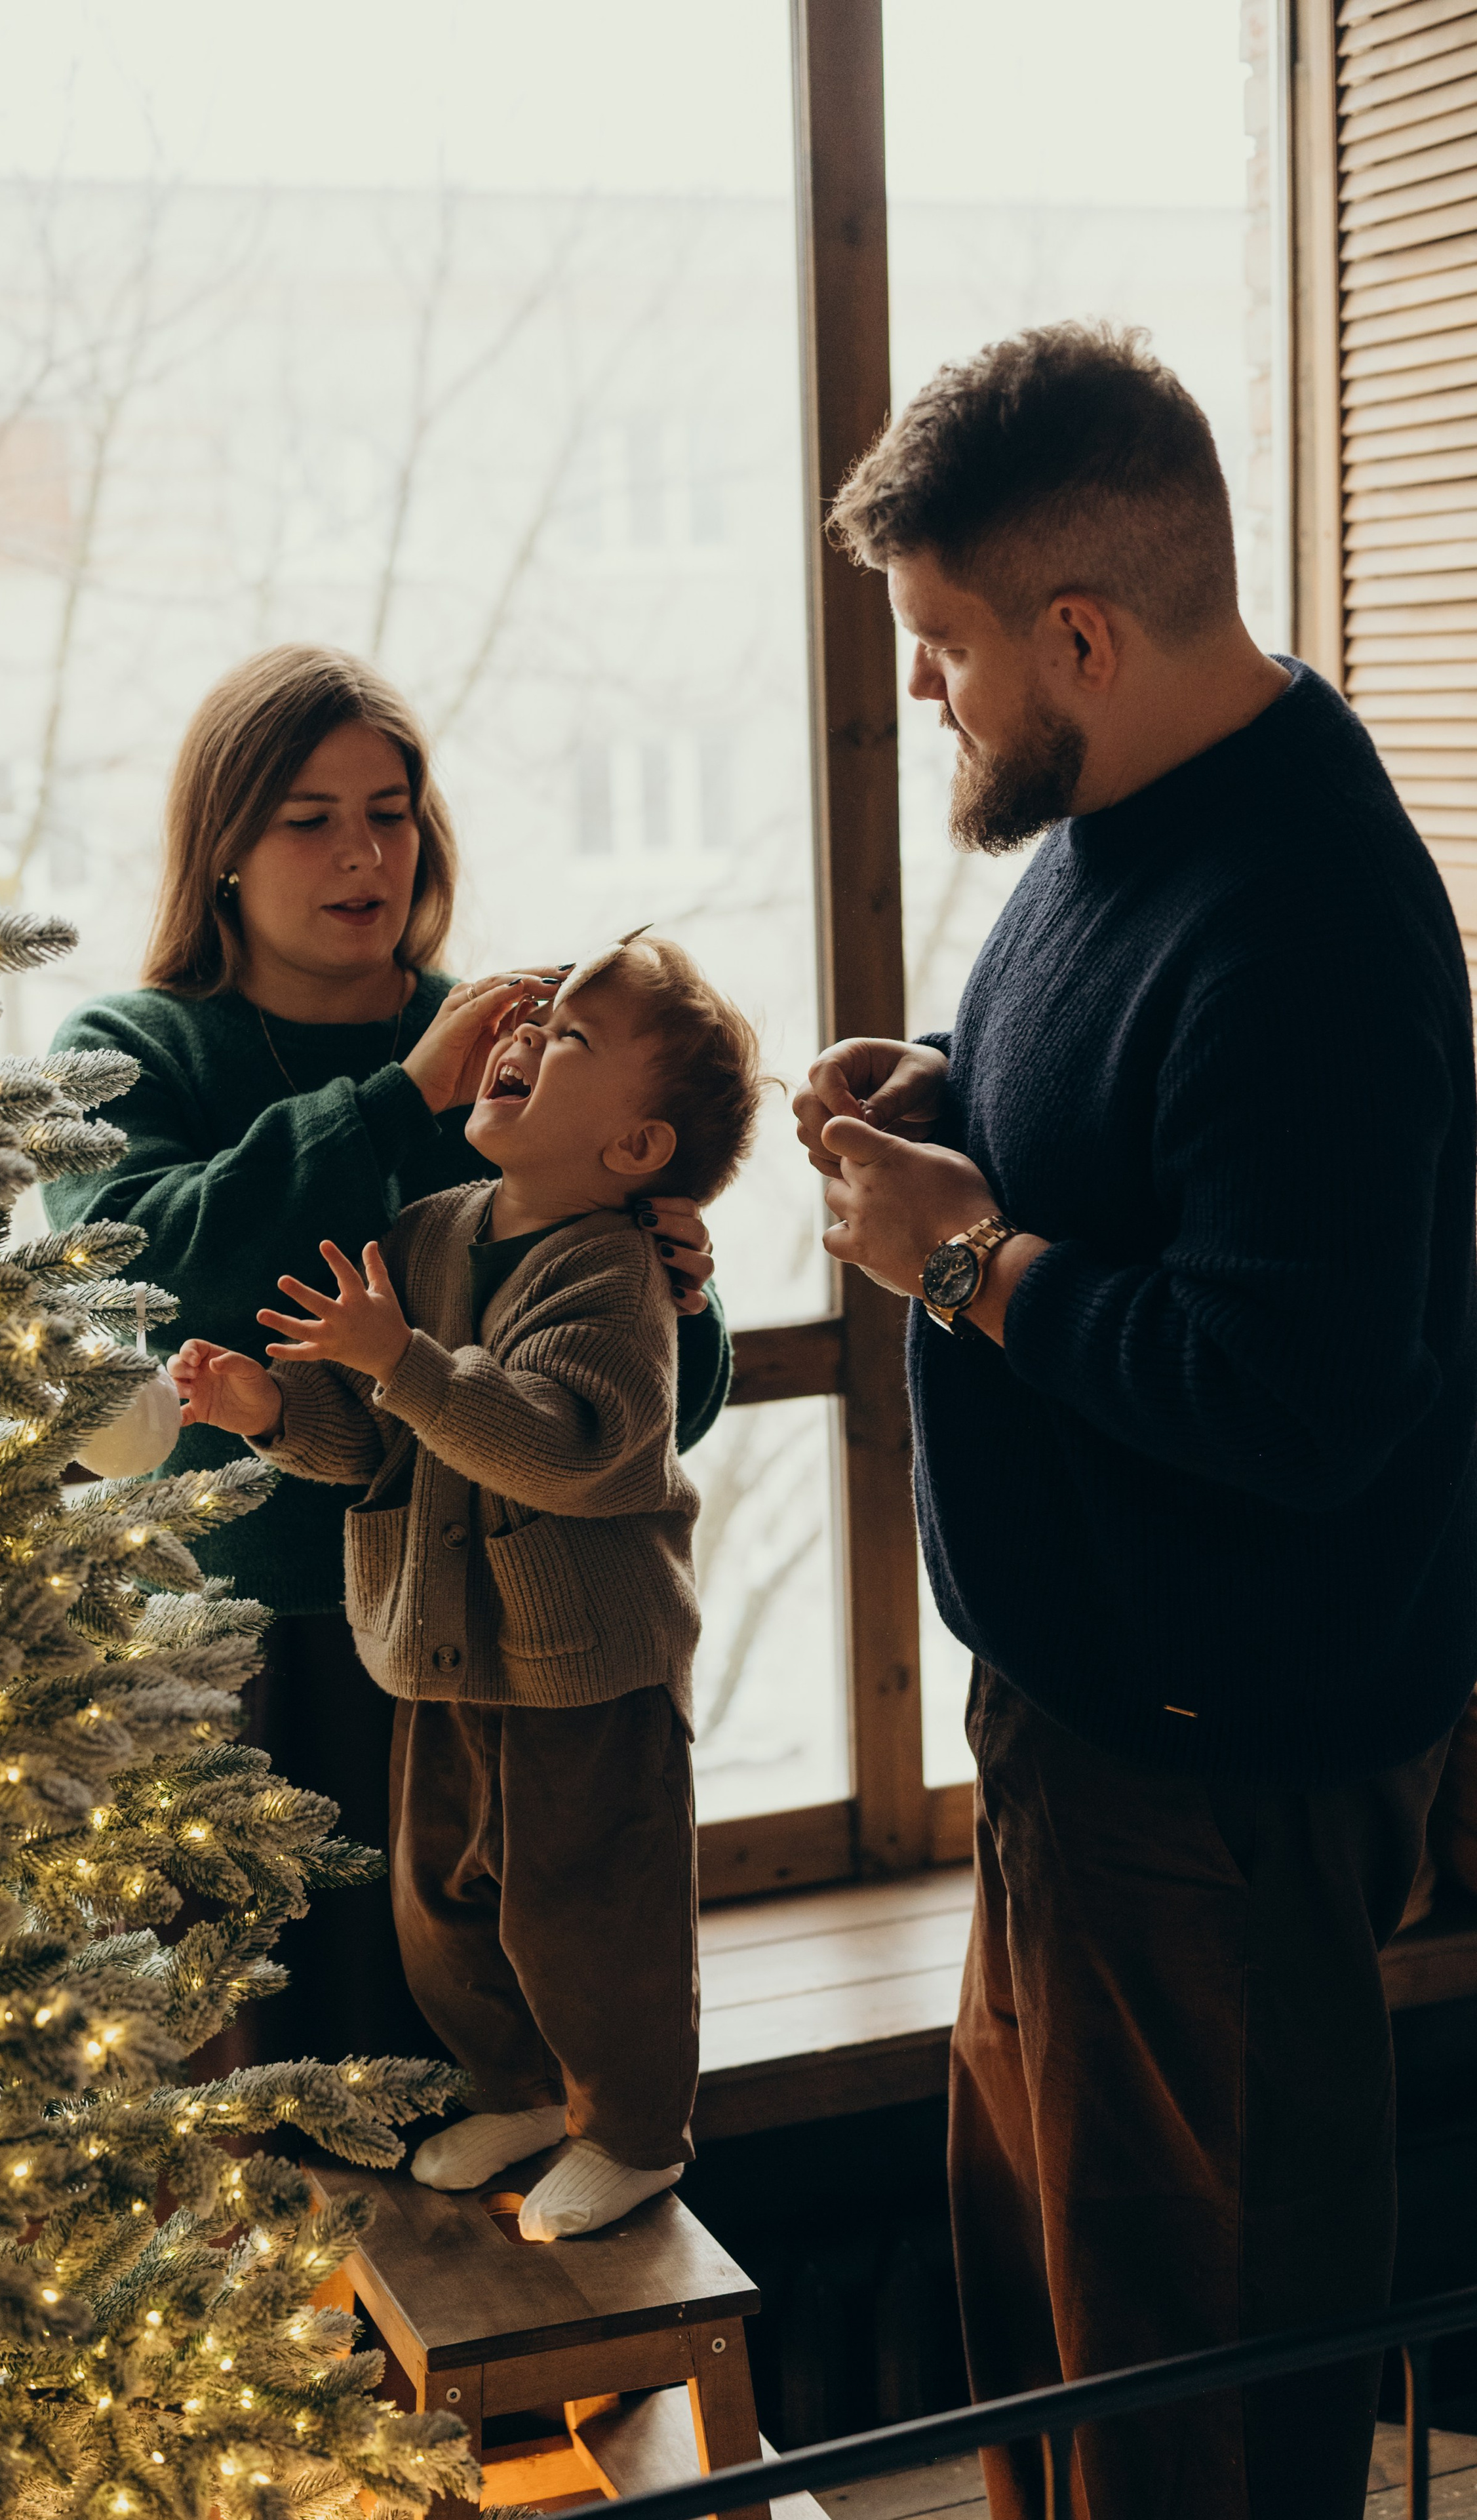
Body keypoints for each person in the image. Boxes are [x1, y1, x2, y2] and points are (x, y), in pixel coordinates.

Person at [791, 323, 1477, 2520]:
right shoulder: (1116, 812)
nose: (929, 694)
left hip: (1209, 1800)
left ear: (1080, 631)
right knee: (1067, 2380)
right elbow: (1146, 1153)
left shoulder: (1310, 924)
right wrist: (958, 1101)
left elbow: (1291, 1397)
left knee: (1192, 2434)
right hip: (1073, 1750)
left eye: (943, 647)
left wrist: (964, 1258)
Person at [44, 646, 731, 2071]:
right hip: (240, 1661)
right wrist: (398, 1095)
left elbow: (644, 1421)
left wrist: (682, 1294)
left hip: (498, 1663)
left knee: (498, 2081)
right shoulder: (138, 1045)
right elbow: (138, 1272)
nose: (363, 851)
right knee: (267, 2104)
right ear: (220, 846)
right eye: (308, 816)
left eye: (391, 806)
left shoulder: (521, 1058)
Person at [168, 935, 761, 2238]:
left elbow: (568, 1444)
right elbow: (375, 1431)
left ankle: (630, 2129)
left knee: (588, 1913)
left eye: (567, 1042)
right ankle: (518, 2086)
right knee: (441, 1905)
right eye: (532, 1023)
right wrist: (270, 1403)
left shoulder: (611, 1270)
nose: (520, 1040)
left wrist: (405, 1362)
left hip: (583, 1664)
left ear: (633, 1151)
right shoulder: (432, 1227)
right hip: (439, 1655)